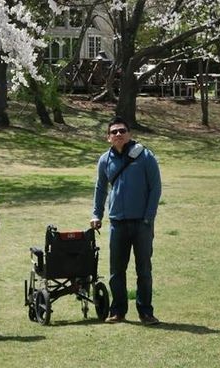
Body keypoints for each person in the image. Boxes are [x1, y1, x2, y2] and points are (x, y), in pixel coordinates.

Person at [90, 116, 162, 325]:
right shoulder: (105, 160)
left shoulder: (145, 156)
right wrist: (97, 214)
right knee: (116, 271)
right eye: (114, 132)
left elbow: (155, 188)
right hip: (117, 223)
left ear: (129, 134)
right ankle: (118, 311)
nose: (119, 134)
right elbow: (100, 188)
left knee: (144, 270)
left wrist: (149, 217)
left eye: (122, 131)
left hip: (142, 223)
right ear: (108, 138)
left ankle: (146, 312)